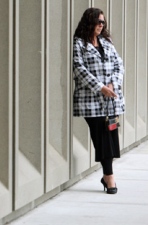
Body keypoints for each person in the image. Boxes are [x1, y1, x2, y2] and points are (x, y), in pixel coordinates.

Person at [72, 8, 125, 194]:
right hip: (90, 100)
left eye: (103, 22)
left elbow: (119, 65)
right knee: (102, 136)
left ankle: (106, 175)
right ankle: (109, 177)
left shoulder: (107, 42)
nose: (101, 25)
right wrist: (100, 87)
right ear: (89, 23)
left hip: (111, 99)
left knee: (110, 136)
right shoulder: (79, 44)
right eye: (98, 22)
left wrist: (113, 83)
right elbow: (78, 68)